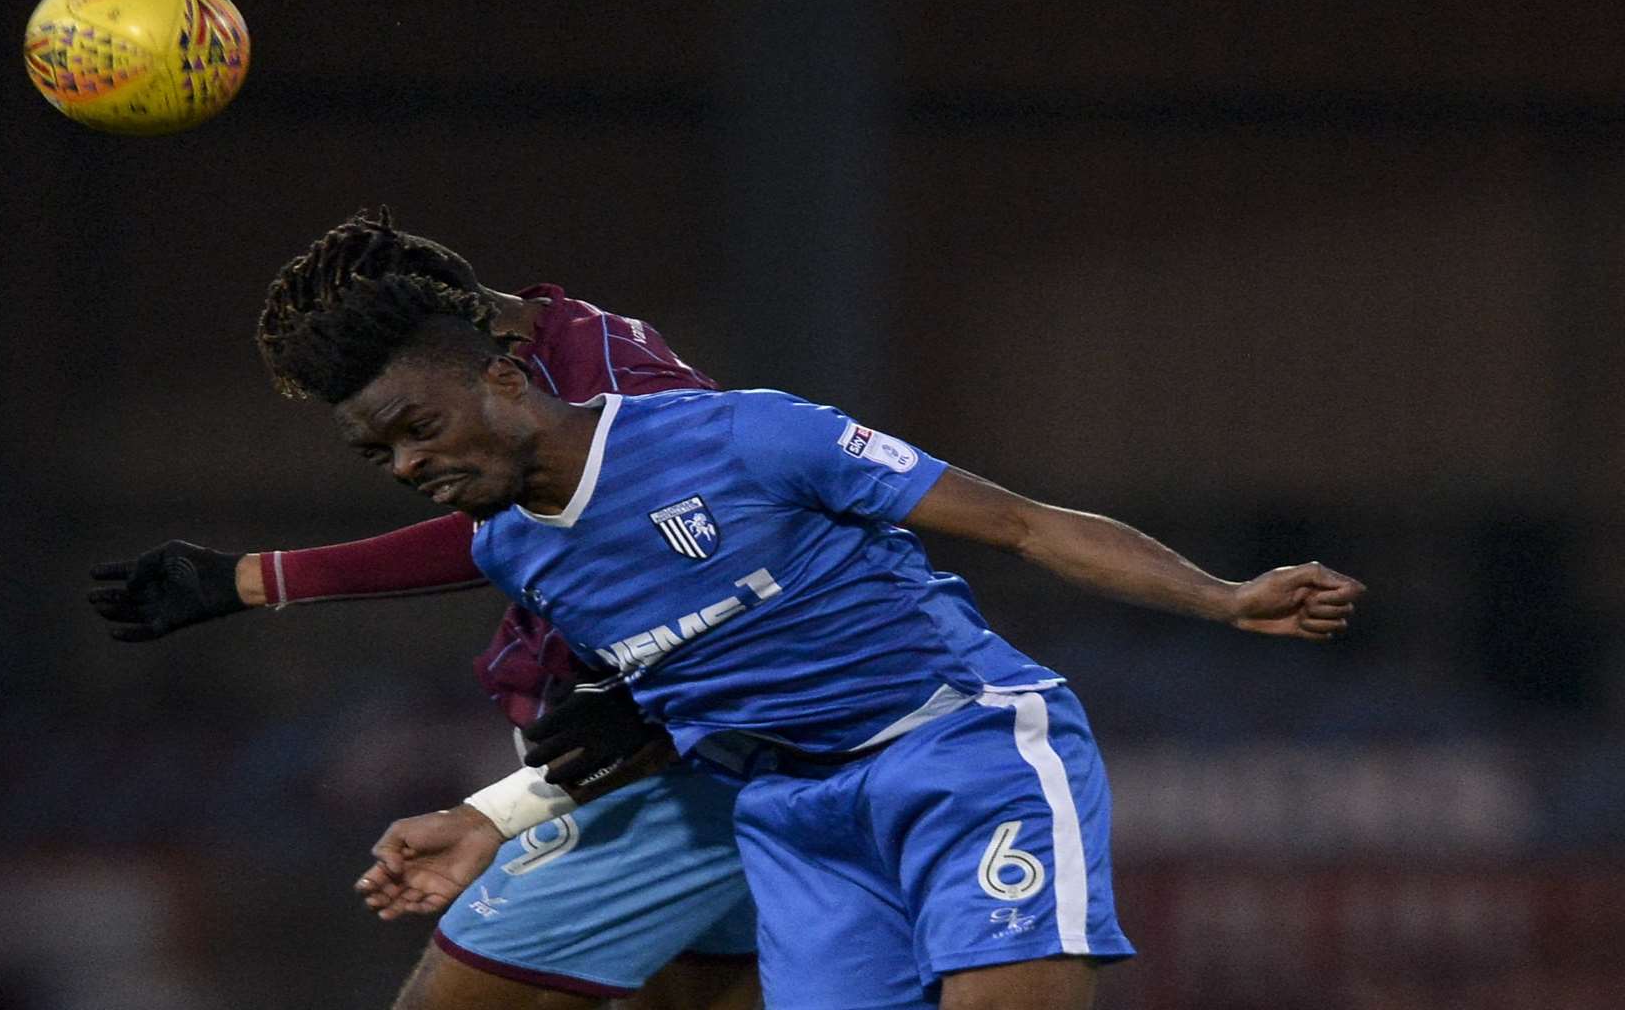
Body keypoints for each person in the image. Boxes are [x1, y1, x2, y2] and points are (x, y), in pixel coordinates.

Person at [257, 271, 1367, 1010]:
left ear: (503, 376)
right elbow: (668, 719)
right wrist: (487, 820)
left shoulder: (749, 435)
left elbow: (1023, 524)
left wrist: (1223, 598)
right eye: (381, 456)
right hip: (791, 816)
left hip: (957, 755)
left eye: (420, 426)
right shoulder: (517, 555)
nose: (407, 465)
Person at [87, 211, 761, 1010]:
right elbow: (501, 532)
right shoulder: (561, 364)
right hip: (696, 761)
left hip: (664, 772)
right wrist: (253, 580)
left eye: (415, 419)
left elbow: (747, 556)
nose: (408, 464)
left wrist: (651, 709)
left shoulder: (627, 392)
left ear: (466, 343)